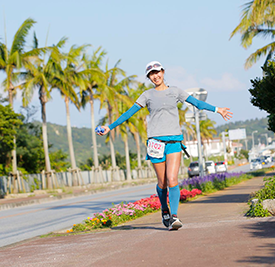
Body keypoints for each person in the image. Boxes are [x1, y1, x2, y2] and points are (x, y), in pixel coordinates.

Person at [96, 61, 233, 230]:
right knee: (162, 182)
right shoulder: (146, 95)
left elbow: (196, 103)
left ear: (163, 71)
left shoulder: (175, 91)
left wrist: (217, 109)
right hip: (155, 143)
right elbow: (128, 113)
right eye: (152, 74)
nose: (156, 76)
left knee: (172, 178)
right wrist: (109, 127)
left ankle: (174, 217)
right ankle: (165, 210)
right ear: (149, 77)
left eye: (157, 72)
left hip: (174, 141)